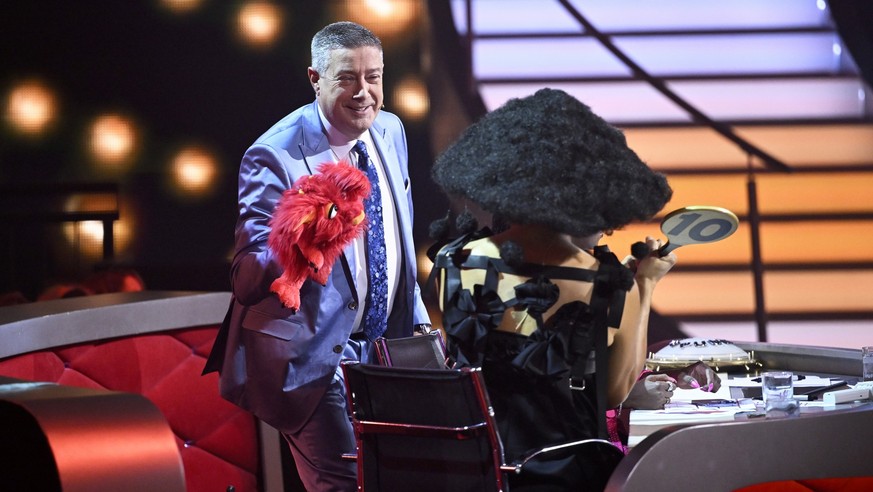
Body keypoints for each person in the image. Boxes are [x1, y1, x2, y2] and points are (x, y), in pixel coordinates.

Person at [203, 21, 430, 491]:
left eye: (374, 76)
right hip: (315, 357)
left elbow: (398, 238)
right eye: (347, 77)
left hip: (390, 351)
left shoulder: (390, 130)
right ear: (315, 78)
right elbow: (246, 279)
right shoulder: (274, 155)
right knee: (347, 483)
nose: (363, 92)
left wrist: (424, 325)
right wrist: (300, 231)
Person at [429, 88, 675, 491]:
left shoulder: (454, 262)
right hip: (567, 477)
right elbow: (614, 393)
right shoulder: (608, 283)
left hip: (474, 471)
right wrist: (644, 285)